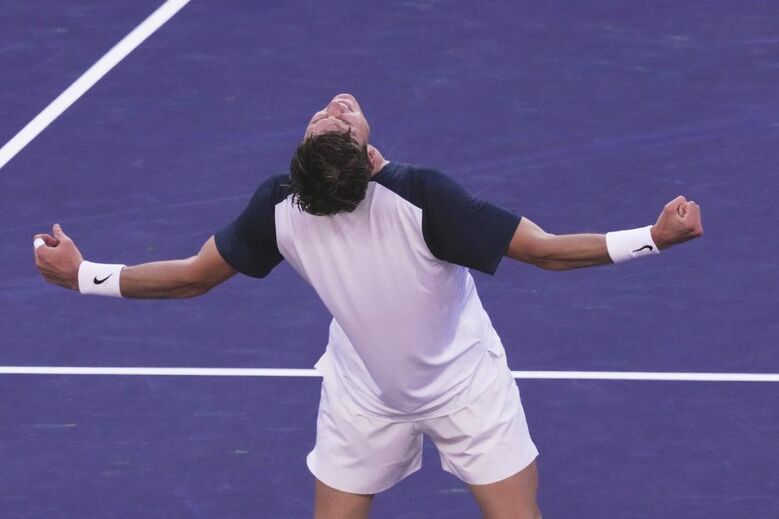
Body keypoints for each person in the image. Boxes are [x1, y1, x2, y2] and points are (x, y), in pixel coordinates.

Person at [33, 93, 703, 519]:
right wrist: (655, 238)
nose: (337, 104)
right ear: (361, 160)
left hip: (465, 385)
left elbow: (192, 277)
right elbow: (548, 251)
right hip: (364, 395)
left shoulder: (291, 205)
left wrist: (83, 277)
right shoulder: (410, 195)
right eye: (334, 120)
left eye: (336, 117)